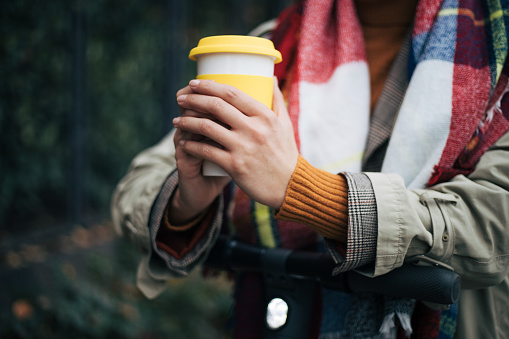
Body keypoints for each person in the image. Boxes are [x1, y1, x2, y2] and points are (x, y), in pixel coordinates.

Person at [111, 0, 509, 338]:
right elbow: (136, 187)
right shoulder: (274, 43)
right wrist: (187, 199)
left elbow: (493, 222)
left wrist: (302, 189)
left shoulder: (499, 48)